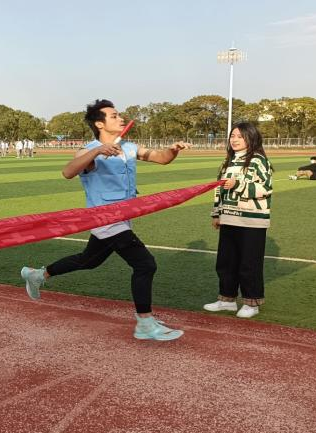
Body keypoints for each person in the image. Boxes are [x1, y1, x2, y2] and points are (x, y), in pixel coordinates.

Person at [20, 99, 190, 341]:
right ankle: (144, 323)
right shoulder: (89, 150)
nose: (121, 118)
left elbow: (161, 158)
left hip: (124, 217)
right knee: (145, 264)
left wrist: (173, 149)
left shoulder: (129, 147)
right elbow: (68, 172)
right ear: (99, 124)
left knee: (88, 260)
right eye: (114, 116)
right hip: (105, 219)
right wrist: (98, 151)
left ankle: (38, 275)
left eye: (119, 115)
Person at [205, 122, 273, 319]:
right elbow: (219, 189)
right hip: (229, 218)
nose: (234, 140)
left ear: (251, 138)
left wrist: (238, 184)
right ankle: (227, 300)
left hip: (252, 220)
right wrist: (216, 213)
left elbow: (265, 188)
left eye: (240, 136)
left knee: (249, 263)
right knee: (226, 262)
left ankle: (252, 302)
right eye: (232, 136)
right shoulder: (228, 161)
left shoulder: (258, 160)